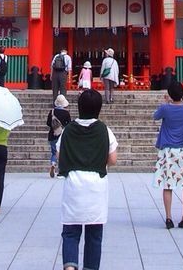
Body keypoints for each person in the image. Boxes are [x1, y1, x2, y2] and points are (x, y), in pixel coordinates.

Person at [58, 88, 118, 270]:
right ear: (99, 108)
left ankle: (69, 267)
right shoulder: (104, 130)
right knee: (94, 233)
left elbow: (60, 154)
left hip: (73, 184)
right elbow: (113, 160)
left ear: (79, 107)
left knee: (70, 231)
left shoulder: (68, 130)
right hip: (96, 185)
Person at [153, 80, 183, 229]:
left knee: (168, 185)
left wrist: (166, 102)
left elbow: (155, 116)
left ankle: (168, 218)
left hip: (168, 151)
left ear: (170, 94)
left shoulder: (165, 108)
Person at [47, 94, 72, 179]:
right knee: (62, 153)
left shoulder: (52, 112)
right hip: (62, 135)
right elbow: (69, 124)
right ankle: (61, 171)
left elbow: (48, 123)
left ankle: (53, 164)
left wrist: (54, 126)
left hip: (52, 134)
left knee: (54, 152)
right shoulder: (66, 113)